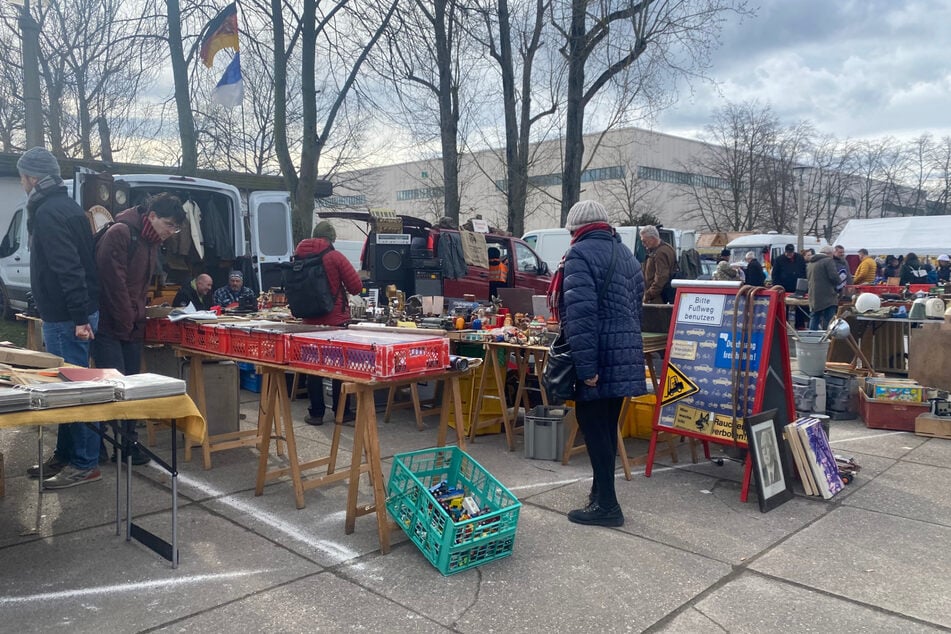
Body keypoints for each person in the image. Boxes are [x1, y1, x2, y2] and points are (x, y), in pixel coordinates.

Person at [549, 200, 645, 527]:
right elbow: (636, 307)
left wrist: (587, 369)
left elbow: (580, 317)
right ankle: (599, 494)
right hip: (624, 355)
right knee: (606, 427)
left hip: (598, 357)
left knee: (595, 431)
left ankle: (607, 505)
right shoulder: (627, 256)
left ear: (576, 229)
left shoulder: (579, 255)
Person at [18, 147, 102, 488]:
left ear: (32, 178)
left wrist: (79, 317)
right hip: (69, 314)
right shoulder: (65, 207)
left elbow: (69, 268)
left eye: (23, 176)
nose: (22, 182)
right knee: (65, 391)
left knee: (76, 391)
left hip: (69, 318)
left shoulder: (49, 212)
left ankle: (85, 463)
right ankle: (66, 454)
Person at [94, 192, 186, 465]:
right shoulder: (121, 233)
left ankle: (127, 445)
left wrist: (138, 319)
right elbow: (114, 284)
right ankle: (100, 444)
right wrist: (129, 319)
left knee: (131, 387)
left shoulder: (151, 242)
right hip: (111, 325)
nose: (171, 232)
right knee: (112, 388)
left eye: (176, 228)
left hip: (132, 325)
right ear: (152, 216)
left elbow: (138, 288)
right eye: (169, 225)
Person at [295, 221, 363, 425]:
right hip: (334, 321)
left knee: (313, 369)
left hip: (309, 321)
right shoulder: (334, 256)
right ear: (331, 239)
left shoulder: (298, 256)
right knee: (339, 367)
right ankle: (342, 412)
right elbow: (356, 287)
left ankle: (316, 413)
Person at [770, 243, 808, 329]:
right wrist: (777, 286)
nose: (789, 255)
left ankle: (800, 325)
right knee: (784, 306)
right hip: (784, 286)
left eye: (790, 253)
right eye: (787, 252)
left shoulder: (800, 258)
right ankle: (784, 324)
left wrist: (804, 283)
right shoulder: (779, 259)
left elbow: (804, 271)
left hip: (798, 286)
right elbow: (775, 274)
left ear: (793, 252)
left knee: (800, 305)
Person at [639, 225, 677, 304]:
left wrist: (648, 295)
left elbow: (661, 278)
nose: (643, 244)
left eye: (644, 241)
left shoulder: (660, 253)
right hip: (661, 296)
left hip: (658, 298)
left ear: (652, 239)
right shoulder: (667, 248)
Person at [807, 245, 840, 330]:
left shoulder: (811, 263)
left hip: (813, 295)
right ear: (829, 253)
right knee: (829, 319)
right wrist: (839, 282)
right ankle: (827, 339)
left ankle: (811, 338)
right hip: (827, 295)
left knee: (814, 317)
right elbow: (834, 277)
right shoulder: (828, 261)